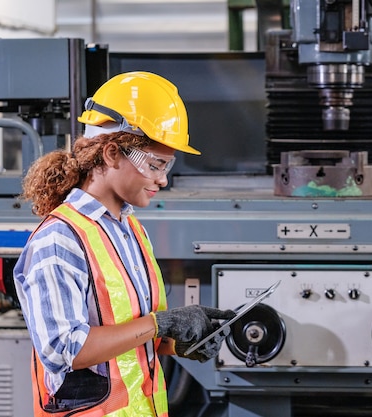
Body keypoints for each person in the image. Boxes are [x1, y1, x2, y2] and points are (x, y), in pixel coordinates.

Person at [13, 71, 235, 416]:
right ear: (113, 153)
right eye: (155, 164)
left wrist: (181, 341)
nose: (162, 179)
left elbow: (133, 333)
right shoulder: (60, 239)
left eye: (168, 165)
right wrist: (161, 323)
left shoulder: (131, 229)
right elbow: (62, 350)